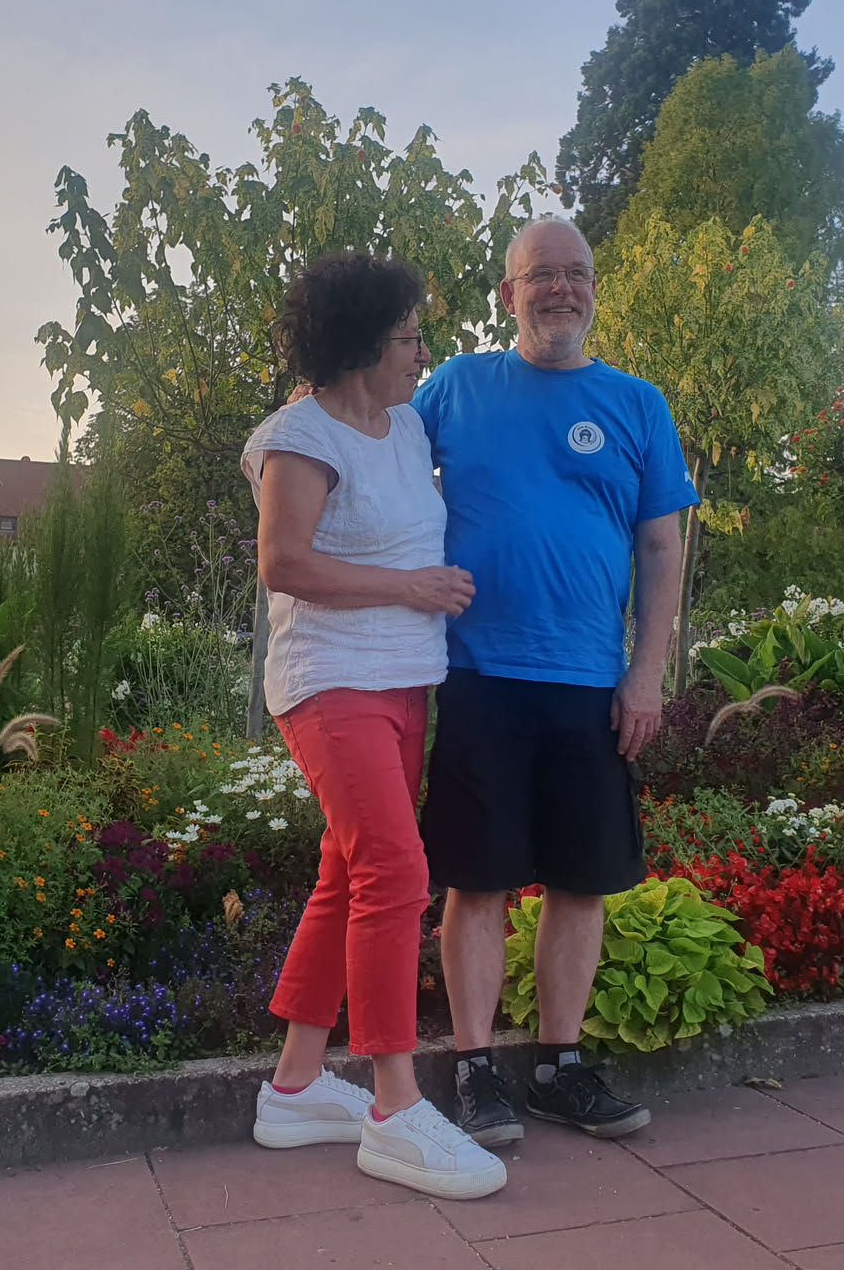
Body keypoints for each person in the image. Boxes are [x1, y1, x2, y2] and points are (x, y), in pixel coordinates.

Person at [412, 215, 695, 1146]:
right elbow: (374, 452)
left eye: (577, 273)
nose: (561, 289)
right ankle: (474, 1070)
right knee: (478, 882)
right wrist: (318, 401)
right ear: (510, 293)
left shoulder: (637, 405)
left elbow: (662, 549)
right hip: (478, 674)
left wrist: (645, 676)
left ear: (594, 289)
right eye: (542, 275)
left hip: (590, 685)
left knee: (581, 882)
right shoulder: (456, 387)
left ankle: (559, 1070)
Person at [242, 253, 506, 1201]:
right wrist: (412, 588)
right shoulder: (300, 435)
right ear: (360, 345)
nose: (420, 353)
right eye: (407, 338)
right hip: (330, 682)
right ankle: (396, 1107)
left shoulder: (405, 426)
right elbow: (284, 563)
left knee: (347, 872)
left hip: (404, 682)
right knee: (396, 872)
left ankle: (295, 1085)